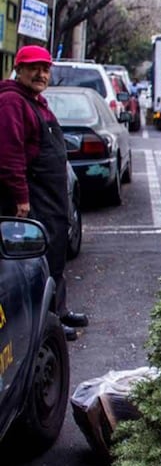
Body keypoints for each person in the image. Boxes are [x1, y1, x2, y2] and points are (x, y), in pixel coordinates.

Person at [0, 45, 88, 341]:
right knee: (37, 264)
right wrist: (21, 198)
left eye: (45, 68)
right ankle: (45, 323)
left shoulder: (37, 102)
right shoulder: (12, 102)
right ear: (19, 69)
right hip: (33, 200)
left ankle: (58, 311)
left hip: (52, 200)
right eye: (33, 67)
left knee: (55, 256)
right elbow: (9, 155)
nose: (40, 74)